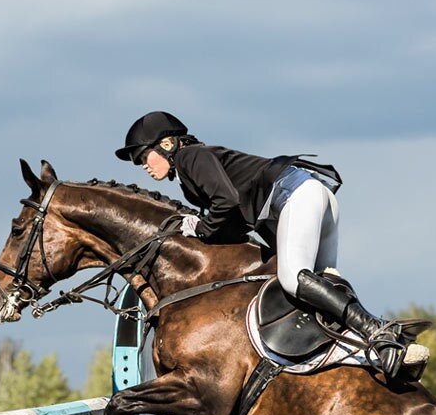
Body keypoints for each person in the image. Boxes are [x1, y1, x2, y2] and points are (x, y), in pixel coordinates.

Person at [114, 110, 413, 379]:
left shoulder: (190, 157)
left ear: (166, 145)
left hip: (296, 196)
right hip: (311, 195)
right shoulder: (193, 166)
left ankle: (377, 330)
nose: (143, 165)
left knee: (294, 279)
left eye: (143, 156)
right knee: (321, 285)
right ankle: (371, 350)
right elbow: (235, 221)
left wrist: (201, 229)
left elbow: (226, 202)